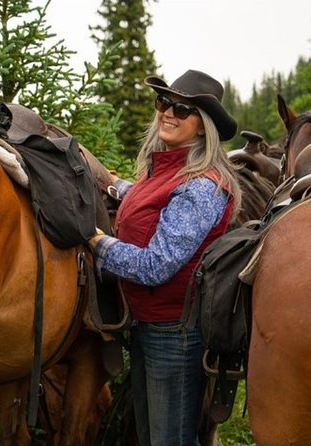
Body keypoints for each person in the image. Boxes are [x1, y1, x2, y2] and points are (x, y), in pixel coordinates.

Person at [89, 69, 243, 446]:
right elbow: (153, 200)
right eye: (164, 103)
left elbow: (155, 266)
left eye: (182, 109)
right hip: (151, 327)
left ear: (203, 127)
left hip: (174, 334)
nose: (168, 113)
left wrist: (95, 242)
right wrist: (113, 186)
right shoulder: (169, 171)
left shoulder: (201, 187)